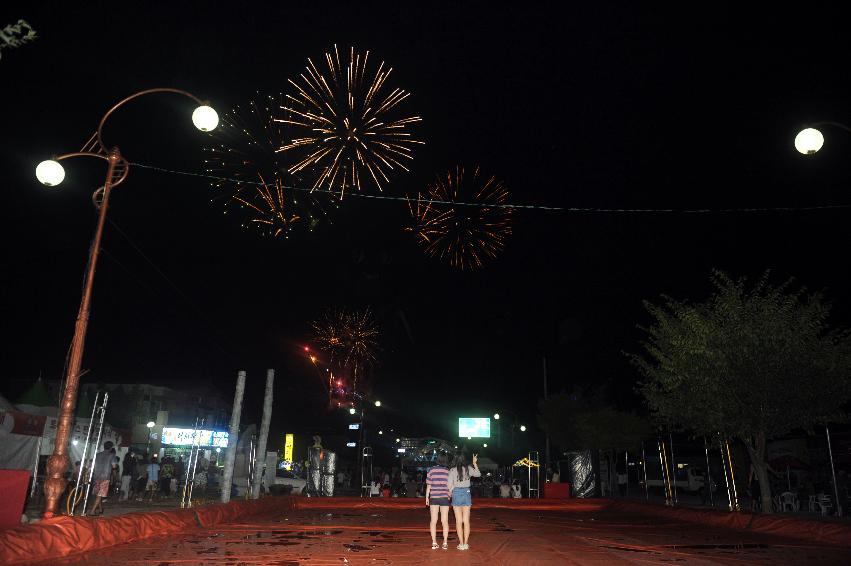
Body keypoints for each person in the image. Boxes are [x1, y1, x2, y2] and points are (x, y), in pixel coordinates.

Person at [447, 452, 481, 551]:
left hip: (456, 493)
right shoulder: (468, 468)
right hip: (466, 493)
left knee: (458, 521)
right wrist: (474, 463)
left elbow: (449, 486)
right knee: (466, 521)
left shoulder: (452, 470)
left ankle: (461, 543)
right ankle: (466, 543)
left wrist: (451, 490)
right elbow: (478, 474)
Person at [425, 453, 451, 550]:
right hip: (444, 497)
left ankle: (434, 542)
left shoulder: (431, 470)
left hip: (434, 497)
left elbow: (428, 485)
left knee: (433, 521)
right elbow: (450, 486)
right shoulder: (448, 471)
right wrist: (449, 495)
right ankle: (445, 543)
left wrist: (427, 498)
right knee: (445, 521)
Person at [89, 441, 115, 516]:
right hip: (105, 477)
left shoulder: (97, 455)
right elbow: (114, 466)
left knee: (98, 494)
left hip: (96, 476)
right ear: (111, 447)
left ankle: (100, 509)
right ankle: (92, 511)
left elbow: (92, 465)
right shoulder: (111, 455)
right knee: (100, 494)